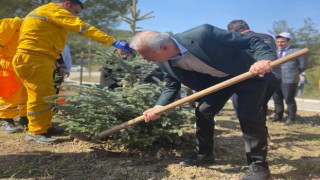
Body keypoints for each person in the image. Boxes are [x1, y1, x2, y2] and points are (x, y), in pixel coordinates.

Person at [130, 24, 277, 180]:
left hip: (248, 74)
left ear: (164, 47)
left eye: (147, 56)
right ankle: (204, 155)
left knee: (248, 116)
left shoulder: (203, 34)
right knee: (203, 112)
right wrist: (158, 107)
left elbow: (251, 41)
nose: (147, 61)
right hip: (220, 82)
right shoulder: (163, 61)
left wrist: (263, 59)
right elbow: (171, 85)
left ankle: (259, 167)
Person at [12, 0, 131, 144]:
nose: (75, 16)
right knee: (39, 96)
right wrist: (113, 42)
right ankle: (35, 132)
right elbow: (82, 27)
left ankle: (44, 127)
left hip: (40, 59)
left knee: (46, 95)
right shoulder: (55, 10)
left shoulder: (46, 12)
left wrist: (59, 62)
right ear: (67, 3)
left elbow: (45, 40)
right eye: (75, 11)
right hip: (34, 59)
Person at [227, 19, 281, 122]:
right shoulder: (267, 37)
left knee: (251, 109)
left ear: (233, 32)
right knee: (260, 105)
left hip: (255, 77)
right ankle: (263, 133)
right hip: (274, 77)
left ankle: (258, 135)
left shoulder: (239, 40)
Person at [271, 32, 307, 125]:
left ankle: (291, 118)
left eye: (282, 42)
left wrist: (294, 73)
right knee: (277, 99)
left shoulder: (297, 51)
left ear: (288, 41)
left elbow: (303, 65)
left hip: (290, 79)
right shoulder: (275, 52)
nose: (279, 43)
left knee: (289, 99)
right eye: (278, 42)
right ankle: (278, 116)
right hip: (276, 79)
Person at [0, 17, 28, 133]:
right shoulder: (12, 23)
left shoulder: (35, 28)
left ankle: (25, 118)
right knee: (9, 94)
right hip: (8, 65)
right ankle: (6, 120)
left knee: (26, 94)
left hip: (25, 64)